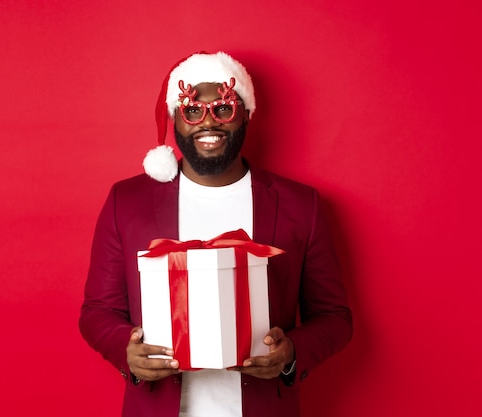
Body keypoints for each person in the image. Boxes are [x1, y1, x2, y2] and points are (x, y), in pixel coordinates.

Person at [79, 51, 352, 417]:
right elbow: (98, 311)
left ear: (246, 114)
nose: (209, 123)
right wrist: (126, 352)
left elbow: (334, 316)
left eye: (223, 109)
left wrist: (291, 354)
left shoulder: (302, 205)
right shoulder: (126, 202)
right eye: (193, 111)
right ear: (176, 118)